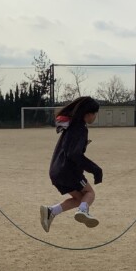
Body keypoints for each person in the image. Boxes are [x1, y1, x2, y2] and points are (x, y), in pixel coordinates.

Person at [39, 96, 103, 233]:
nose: (95, 117)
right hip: (68, 171)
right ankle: (83, 211)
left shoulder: (71, 126)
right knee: (90, 193)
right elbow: (73, 154)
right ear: (88, 114)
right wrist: (95, 170)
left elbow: (70, 149)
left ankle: (51, 211)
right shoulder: (80, 128)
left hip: (56, 171)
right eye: (95, 113)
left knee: (80, 198)